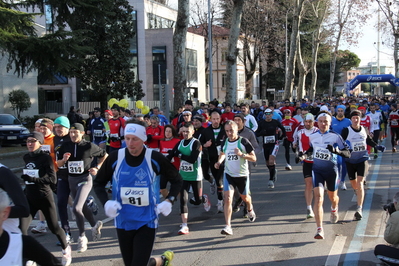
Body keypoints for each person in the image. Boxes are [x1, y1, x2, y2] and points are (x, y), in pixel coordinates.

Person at [93, 119, 182, 266]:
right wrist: (106, 202)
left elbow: (177, 180)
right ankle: (162, 261)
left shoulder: (154, 158)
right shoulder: (116, 157)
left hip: (147, 220)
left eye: (134, 139)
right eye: (127, 138)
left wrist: (169, 200)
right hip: (123, 220)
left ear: (143, 139)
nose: (130, 143)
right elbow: (98, 183)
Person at [20, 132, 72, 265]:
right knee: (21, 228)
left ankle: (66, 249)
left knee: (54, 227)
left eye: (33, 141)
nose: (30, 144)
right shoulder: (26, 157)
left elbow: (52, 179)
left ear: (40, 143)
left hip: (44, 197)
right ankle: (27, 257)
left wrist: (33, 179)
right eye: (28, 141)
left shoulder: (46, 158)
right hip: (30, 197)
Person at [56, 123, 107, 253]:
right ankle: (94, 225)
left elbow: (104, 155)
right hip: (71, 179)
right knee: (82, 207)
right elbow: (58, 163)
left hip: (85, 179)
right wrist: (64, 159)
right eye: (71, 132)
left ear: (82, 133)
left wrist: (97, 167)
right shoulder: (65, 146)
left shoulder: (89, 146)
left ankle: (82, 237)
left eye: (76, 132)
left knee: (76, 207)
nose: (73, 135)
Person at [307, 112, 350, 239]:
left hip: (332, 171)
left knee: (333, 197)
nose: (323, 123)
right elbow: (310, 150)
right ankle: (319, 229)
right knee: (319, 198)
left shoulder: (335, 136)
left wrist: (336, 151)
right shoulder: (312, 136)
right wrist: (302, 155)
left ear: (330, 123)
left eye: (326, 121)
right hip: (317, 170)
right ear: (317, 123)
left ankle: (334, 207)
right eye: (321, 121)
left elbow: (348, 153)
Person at [0, 188, 63, 266]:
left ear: (5, 213)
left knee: (54, 227)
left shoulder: (21, 243)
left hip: (44, 195)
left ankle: (66, 248)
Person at [341, 110, 384, 220]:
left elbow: (369, 141)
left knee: (360, 184)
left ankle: (359, 209)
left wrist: (377, 146)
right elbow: (340, 143)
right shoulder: (346, 131)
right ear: (350, 120)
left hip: (362, 159)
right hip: (350, 161)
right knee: (354, 184)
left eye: (357, 118)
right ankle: (357, 192)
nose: (355, 120)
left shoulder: (364, 129)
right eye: (353, 118)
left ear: (360, 119)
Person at [215, 121, 257, 235]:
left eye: (231, 130)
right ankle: (228, 226)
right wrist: (219, 162)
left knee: (245, 198)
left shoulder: (243, 142)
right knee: (228, 198)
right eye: (227, 131)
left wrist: (242, 155)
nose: (229, 133)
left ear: (237, 129)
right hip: (229, 174)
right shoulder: (225, 142)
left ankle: (249, 208)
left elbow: (254, 158)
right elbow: (223, 153)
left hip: (242, 175)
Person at [169, 122, 211, 235]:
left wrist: (179, 155)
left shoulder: (196, 143)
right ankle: (184, 225)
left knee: (197, 201)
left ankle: (203, 198)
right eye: (183, 131)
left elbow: (192, 159)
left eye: (187, 131)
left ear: (193, 132)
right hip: (183, 176)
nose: (185, 134)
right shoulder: (180, 143)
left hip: (195, 176)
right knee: (183, 200)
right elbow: (171, 154)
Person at [292, 113, 318, 219]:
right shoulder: (300, 132)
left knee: (318, 186)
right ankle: (309, 207)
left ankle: (318, 203)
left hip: (318, 161)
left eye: (310, 122)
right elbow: (295, 143)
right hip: (306, 161)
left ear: (313, 122)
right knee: (308, 184)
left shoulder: (318, 131)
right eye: (306, 122)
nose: (307, 124)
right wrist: (295, 148)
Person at [200, 111, 227, 212]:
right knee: (217, 180)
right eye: (214, 119)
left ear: (220, 119)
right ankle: (221, 198)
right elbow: (199, 143)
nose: (216, 121)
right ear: (210, 119)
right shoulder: (206, 131)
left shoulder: (225, 130)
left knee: (220, 181)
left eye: (217, 119)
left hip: (225, 159)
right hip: (212, 159)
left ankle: (220, 201)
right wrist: (205, 145)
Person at [53, 116, 74, 243]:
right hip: (62, 175)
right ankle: (66, 233)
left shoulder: (72, 137)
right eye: (56, 127)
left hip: (76, 176)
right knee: (61, 202)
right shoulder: (54, 139)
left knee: (78, 205)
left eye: (60, 127)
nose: (58, 129)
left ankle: (88, 201)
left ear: (67, 127)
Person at [256, 108, 286, 189]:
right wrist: (261, 133)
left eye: (269, 114)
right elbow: (256, 133)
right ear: (264, 115)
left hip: (274, 144)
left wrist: (281, 137)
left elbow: (283, 129)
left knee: (271, 160)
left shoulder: (275, 122)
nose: (268, 116)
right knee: (268, 163)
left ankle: (271, 180)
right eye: (266, 114)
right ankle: (273, 171)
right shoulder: (261, 123)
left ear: (272, 115)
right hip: (266, 145)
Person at [374, 192, 399, 266]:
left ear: (395, 203)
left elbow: (390, 238)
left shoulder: (396, 216)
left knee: (379, 250)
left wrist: (391, 218)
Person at [331, 105, 352, 190]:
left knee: (344, 164)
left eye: (341, 111)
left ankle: (342, 181)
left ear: (344, 111)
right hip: (335, 145)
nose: (340, 112)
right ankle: (337, 179)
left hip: (345, 146)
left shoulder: (348, 121)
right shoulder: (332, 121)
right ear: (336, 111)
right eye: (338, 111)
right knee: (337, 163)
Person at [159, 125, 181, 198]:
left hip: (175, 167)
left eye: (169, 131)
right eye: (166, 131)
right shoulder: (161, 141)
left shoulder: (177, 141)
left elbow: (180, 154)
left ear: (173, 133)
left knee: (177, 190)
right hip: (164, 168)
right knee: (162, 188)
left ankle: (181, 201)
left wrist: (174, 153)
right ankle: (169, 201)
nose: (167, 133)